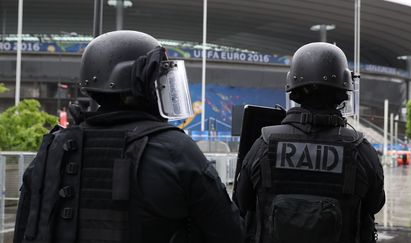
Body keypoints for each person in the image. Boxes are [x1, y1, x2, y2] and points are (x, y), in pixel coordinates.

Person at [14, 30, 244, 243]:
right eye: (159, 79)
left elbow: (25, 228)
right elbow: (230, 233)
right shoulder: (175, 149)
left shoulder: (55, 148)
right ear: (143, 83)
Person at [234, 42, 385, 243]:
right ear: (343, 91)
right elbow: (375, 204)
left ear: (294, 89)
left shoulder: (264, 143)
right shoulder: (360, 149)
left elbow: (242, 202)